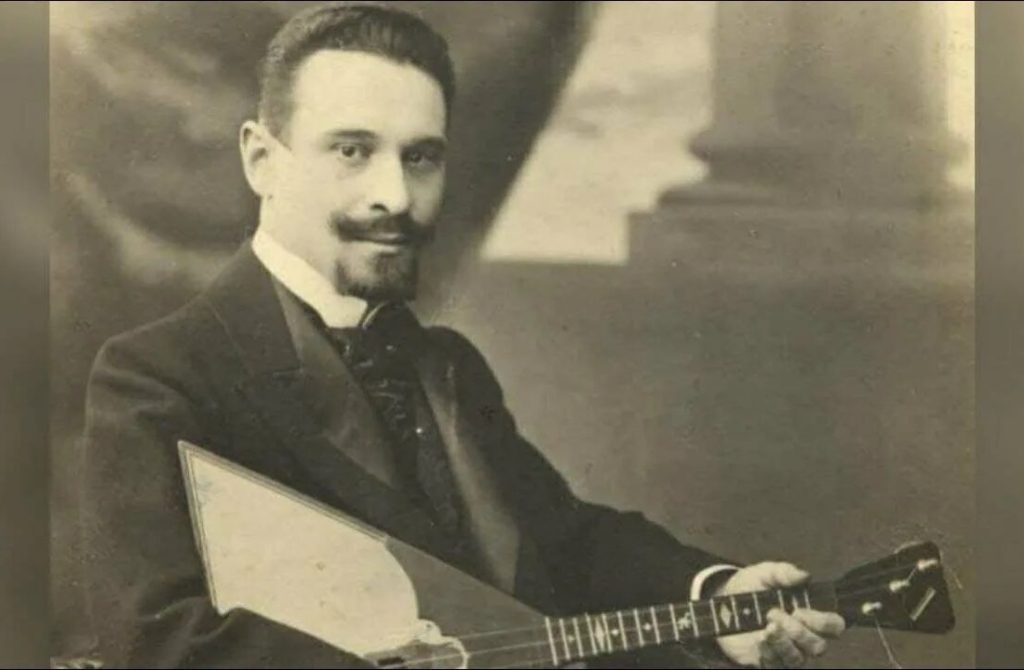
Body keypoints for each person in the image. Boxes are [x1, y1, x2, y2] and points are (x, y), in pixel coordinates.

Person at [79, 3, 846, 668]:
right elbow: (160, 642)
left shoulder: (445, 365)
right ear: (261, 161)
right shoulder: (159, 376)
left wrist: (717, 596)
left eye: (422, 158)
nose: (394, 195)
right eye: (352, 150)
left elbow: (560, 541)